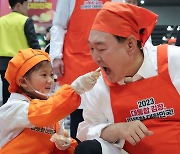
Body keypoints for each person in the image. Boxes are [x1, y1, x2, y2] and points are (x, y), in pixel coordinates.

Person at [75, 2, 180, 154]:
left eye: (101, 48)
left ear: (130, 44)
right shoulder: (97, 84)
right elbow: (87, 129)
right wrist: (114, 129)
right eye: (91, 49)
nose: (95, 57)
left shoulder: (173, 61)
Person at [49, 0, 123, 143]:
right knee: (78, 111)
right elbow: (58, 25)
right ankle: (78, 148)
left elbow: (122, 21)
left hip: (107, 60)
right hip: (76, 61)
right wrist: (56, 56)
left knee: (109, 109)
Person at [0, 48, 100, 153]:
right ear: (23, 82)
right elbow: (42, 113)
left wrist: (65, 145)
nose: (50, 80)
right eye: (44, 75)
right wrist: (75, 89)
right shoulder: (13, 108)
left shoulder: (52, 111)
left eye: (51, 75)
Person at [0, 0, 40, 105]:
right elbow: (34, 43)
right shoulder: (26, 21)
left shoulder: (1, 21)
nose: (27, 9)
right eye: (26, 5)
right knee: (22, 93)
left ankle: (6, 115)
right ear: (18, 5)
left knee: (7, 91)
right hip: (22, 64)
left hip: (3, 64)